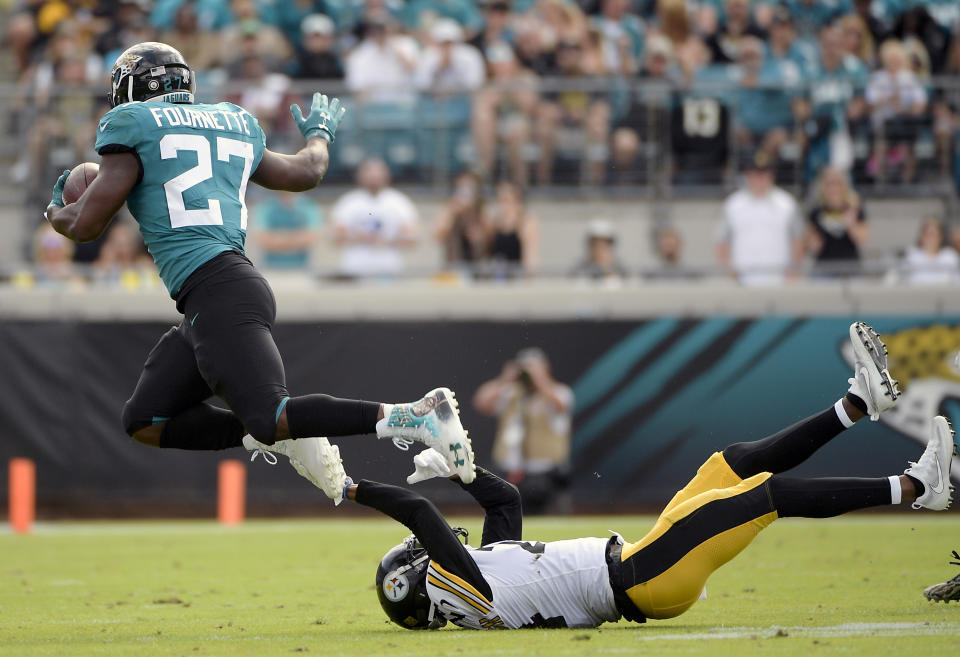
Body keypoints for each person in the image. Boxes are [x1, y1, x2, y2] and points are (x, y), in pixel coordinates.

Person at [43, 42, 477, 498]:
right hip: (216, 293)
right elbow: (306, 171)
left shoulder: (130, 124)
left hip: (217, 289)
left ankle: (414, 414)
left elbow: (85, 226)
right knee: (147, 419)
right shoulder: (234, 120)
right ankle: (279, 438)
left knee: (273, 416)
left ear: (133, 88)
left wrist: (55, 208)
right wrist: (320, 135)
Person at [346, 322, 955, 630]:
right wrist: (354, 488)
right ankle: (915, 488)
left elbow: (503, 502)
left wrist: (460, 471)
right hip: (643, 580)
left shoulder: (476, 580)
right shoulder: (460, 597)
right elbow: (422, 519)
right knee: (763, 496)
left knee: (732, 463)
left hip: (642, 559)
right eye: (417, 554)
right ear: (415, 580)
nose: (425, 547)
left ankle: (856, 404)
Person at [473, 347, 573, 514]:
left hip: (544, 472)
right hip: (510, 470)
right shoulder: (510, 394)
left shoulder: (559, 392)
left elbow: (561, 405)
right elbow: (481, 402)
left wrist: (540, 380)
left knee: (552, 524)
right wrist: (504, 379)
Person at [716, 150, 803, 285]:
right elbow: (721, 240)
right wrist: (729, 271)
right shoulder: (732, 205)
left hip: (779, 279)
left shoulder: (787, 204)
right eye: (754, 175)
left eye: (763, 174)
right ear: (747, 176)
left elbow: (798, 239)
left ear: (771, 176)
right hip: (743, 280)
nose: (759, 179)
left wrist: (793, 271)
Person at [330, 157, 420, 278]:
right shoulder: (348, 202)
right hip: (355, 269)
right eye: (369, 174)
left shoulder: (400, 203)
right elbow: (337, 238)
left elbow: (411, 239)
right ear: (360, 176)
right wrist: (361, 238)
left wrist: (386, 241)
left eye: (378, 174)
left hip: (389, 269)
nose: (374, 178)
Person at [806, 166, 869, 277]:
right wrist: (812, 242)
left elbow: (862, 240)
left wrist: (851, 224)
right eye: (829, 184)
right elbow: (811, 245)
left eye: (837, 183)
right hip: (824, 267)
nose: (833, 188)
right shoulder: (816, 211)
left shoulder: (854, 208)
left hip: (851, 267)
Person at [901, 217, 960, 285]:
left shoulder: (950, 256)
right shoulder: (912, 256)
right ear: (922, 236)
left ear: (941, 237)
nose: (931, 239)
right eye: (928, 234)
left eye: (935, 235)